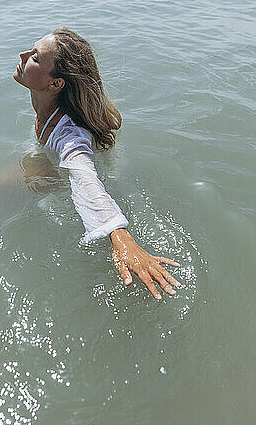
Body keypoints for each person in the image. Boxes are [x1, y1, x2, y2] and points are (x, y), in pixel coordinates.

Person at [13, 27, 181, 300]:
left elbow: (83, 174)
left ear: (55, 84)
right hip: (64, 176)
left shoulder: (69, 135)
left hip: (94, 199)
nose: (22, 55)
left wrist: (120, 236)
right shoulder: (46, 108)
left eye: (34, 57)